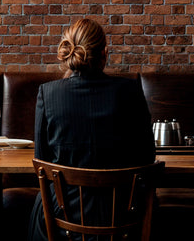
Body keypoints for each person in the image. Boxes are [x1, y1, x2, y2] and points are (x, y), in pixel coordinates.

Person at [28, 18, 155, 241]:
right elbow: (147, 157)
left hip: (63, 220)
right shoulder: (130, 91)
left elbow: (42, 162)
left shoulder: (47, 94)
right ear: (105, 53)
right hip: (125, 219)